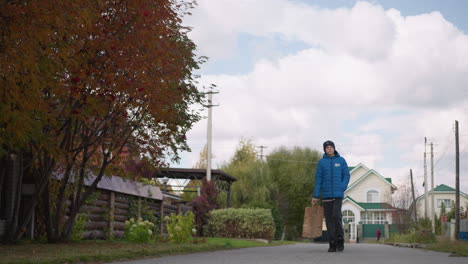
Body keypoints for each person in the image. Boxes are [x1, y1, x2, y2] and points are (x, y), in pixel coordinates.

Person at [312, 140, 350, 252]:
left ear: (334, 148)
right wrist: (315, 195)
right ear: (324, 149)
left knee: (336, 216)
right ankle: (332, 243)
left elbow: (346, 175)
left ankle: (340, 239)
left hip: (338, 194)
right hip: (326, 195)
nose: (329, 149)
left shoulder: (341, 160)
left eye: (331, 147)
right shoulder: (321, 162)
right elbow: (318, 179)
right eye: (327, 147)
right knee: (328, 220)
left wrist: (342, 187)